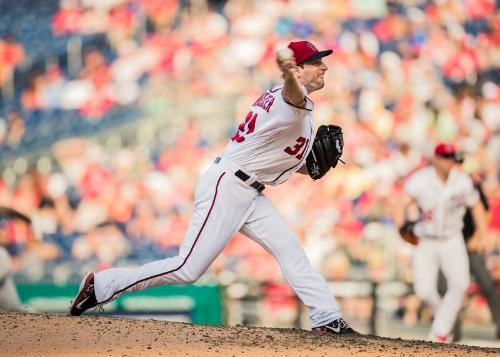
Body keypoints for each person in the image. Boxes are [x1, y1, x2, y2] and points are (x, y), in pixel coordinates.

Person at [70, 40, 356, 334]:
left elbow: (271, 157)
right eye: (317, 62)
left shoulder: (289, 106)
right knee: (187, 269)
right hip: (229, 185)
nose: (324, 66)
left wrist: (307, 167)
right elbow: (291, 93)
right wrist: (290, 78)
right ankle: (101, 285)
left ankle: (327, 318)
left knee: (290, 251)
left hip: (248, 189)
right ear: (296, 70)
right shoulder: (290, 99)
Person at [394, 143, 492, 342]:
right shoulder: (421, 180)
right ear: (436, 159)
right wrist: (402, 227)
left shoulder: (462, 181)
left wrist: (483, 234)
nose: (449, 161)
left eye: (451, 157)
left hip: (451, 239)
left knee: (460, 284)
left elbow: (477, 207)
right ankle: (443, 324)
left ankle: (439, 333)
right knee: (424, 291)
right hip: (426, 239)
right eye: (445, 157)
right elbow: (401, 203)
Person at [438, 174, 500, 341]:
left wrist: (479, 236)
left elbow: (484, 211)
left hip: (469, 246)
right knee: (447, 288)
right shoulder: (439, 187)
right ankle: (452, 331)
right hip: (450, 246)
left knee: (487, 285)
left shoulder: (470, 186)